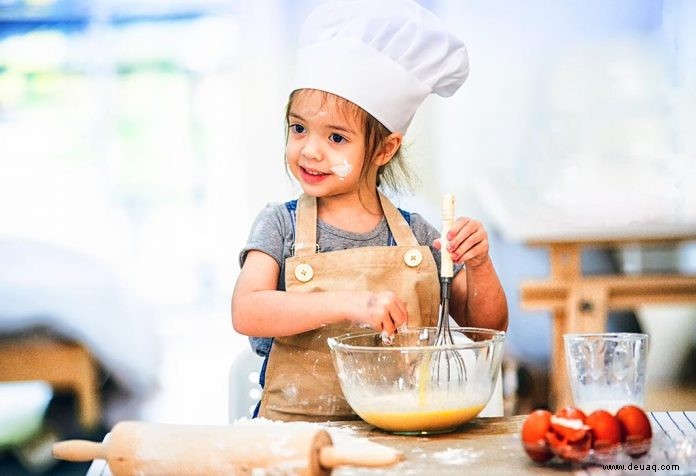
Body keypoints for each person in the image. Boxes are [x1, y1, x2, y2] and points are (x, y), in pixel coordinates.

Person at [231, 0, 508, 422]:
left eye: (336, 138)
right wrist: (351, 304)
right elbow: (247, 311)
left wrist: (481, 265)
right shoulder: (279, 224)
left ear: (384, 148)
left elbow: (483, 328)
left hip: (401, 431)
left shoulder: (417, 236)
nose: (310, 149)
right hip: (294, 435)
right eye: (299, 128)